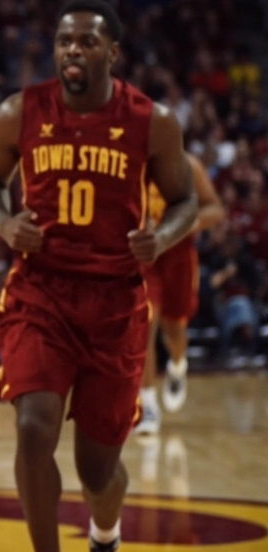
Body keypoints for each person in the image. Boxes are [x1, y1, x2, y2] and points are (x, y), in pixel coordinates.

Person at [0, 0, 196, 552]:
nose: (72, 50)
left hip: (116, 302)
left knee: (97, 472)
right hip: (40, 291)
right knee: (32, 428)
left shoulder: (153, 121)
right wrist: (3, 224)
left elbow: (186, 200)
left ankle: (106, 530)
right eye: (64, 41)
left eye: (87, 41)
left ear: (112, 52)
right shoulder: (19, 112)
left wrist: (162, 238)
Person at [134, 151, 224, 433]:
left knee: (174, 330)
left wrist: (182, 224)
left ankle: (177, 364)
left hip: (178, 256)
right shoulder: (129, 163)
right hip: (144, 256)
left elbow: (215, 210)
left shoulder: (187, 165)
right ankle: (147, 405)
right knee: (143, 325)